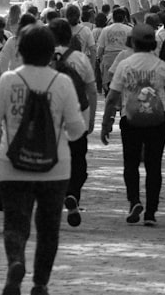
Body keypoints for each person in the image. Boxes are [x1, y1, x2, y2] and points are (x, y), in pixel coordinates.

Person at [0, 24, 86, 295]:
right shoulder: (62, 83)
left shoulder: (9, 80)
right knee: (48, 229)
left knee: (15, 222)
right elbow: (76, 130)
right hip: (55, 169)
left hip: (12, 167)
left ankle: (16, 261)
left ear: (20, 51)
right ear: (51, 53)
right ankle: (40, 283)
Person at [102, 24, 165, 227]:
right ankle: (151, 212)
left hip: (131, 120)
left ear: (133, 42)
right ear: (153, 43)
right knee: (154, 166)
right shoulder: (162, 65)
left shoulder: (125, 65)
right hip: (158, 121)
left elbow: (112, 98)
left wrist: (106, 123)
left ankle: (134, 201)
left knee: (131, 163)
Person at [48, 18, 97, 228]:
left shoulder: (44, 57)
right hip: (78, 116)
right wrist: (92, 117)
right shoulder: (80, 58)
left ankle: (53, 198)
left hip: (50, 116)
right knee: (78, 160)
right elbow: (91, 90)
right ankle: (73, 193)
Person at [96, 7, 132, 94]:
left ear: (113, 18)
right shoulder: (129, 30)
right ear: (124, 18)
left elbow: (100, 48)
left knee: (109, 87)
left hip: (109, 61)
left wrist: (99, 58)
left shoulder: (106, 30)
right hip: (125, 60)